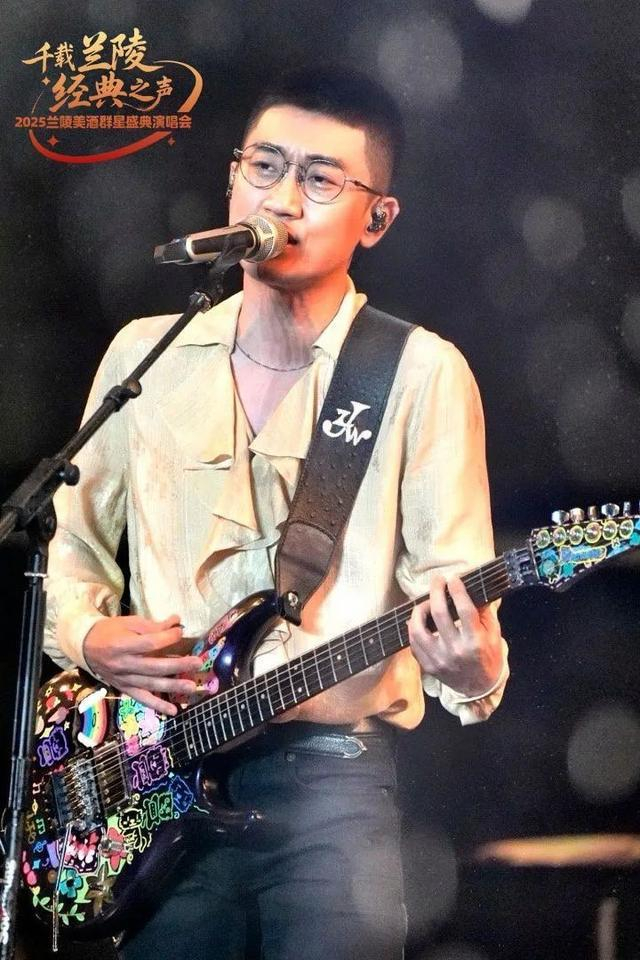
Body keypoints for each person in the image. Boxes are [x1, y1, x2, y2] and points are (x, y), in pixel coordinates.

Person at [43, 67, 509, 960]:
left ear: (377, 218)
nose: (283, 199)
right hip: (154, 782)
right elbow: (71, 554)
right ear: (232, 179)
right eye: (265, 166)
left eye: (321, 179)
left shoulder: (419, 374)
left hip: (334, 790)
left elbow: (460, 613)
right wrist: (90, 637)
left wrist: (474, 666)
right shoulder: (146, 357)